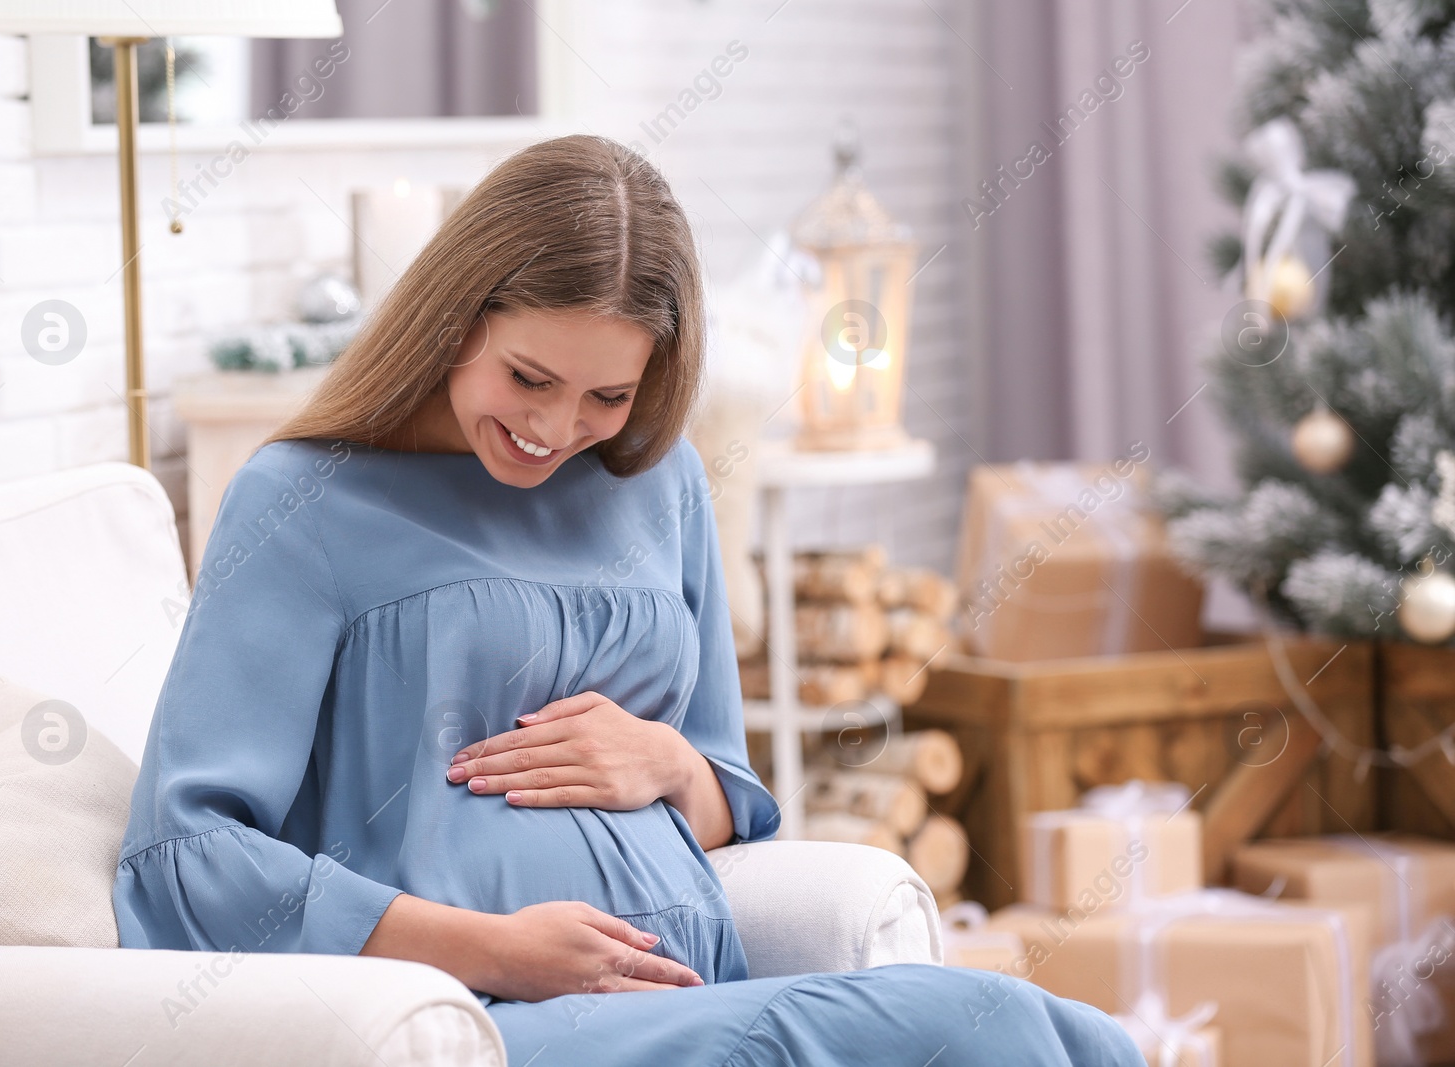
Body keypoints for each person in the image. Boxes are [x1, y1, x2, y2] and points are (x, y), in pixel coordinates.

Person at [113, 133, 1145, 1066]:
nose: (555, 429)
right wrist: (495, 949)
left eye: (607, 396)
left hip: (701, 987)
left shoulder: (659, 482)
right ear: (454, 321)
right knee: (989, 1028)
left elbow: (727, 800)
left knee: (1074, 1032)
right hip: (483, 1011)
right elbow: (190, 851)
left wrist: (666, 761)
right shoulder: (303, 499)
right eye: (529, 377)